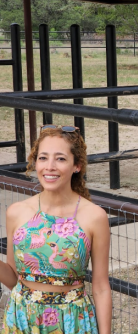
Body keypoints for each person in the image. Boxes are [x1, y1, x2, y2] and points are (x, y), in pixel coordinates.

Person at [0, 125, 111, 334]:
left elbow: (101, 287)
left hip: (71, 321)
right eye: (43, 158)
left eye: (60, 158)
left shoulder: (94, 216)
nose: (49, 166)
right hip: (22, 319)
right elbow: (15, 277)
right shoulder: (17, 212)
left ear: (76, 165)